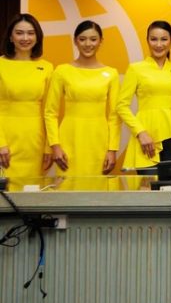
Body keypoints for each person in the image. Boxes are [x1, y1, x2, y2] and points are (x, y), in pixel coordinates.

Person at [44, 20, 120, 187]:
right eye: (82, 39)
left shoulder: (111, 74)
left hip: (99, 141)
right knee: (67, 188)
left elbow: (114, 116)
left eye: (93, 39)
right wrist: (55, 146)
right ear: (75, 41)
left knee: (96, 192)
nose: (88, 44)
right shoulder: (62, 71)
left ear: (101, 41)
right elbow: (50, 112)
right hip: (69, 140)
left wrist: (112, 150)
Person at [117, 21, 171, 175]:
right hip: (146, 137)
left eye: (164, 39)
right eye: (154, 39)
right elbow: (121, 106)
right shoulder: (136, 69)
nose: (159, 44)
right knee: (147, 187)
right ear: (147, 41)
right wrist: (140, 132)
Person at [0, 14, 53, 190]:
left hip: (35, 141)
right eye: (19, 33)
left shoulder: (47, 67)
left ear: (37, 37)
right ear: (10, 36)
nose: (25, 38)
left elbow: (49, 110)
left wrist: (48, 147)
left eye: (30, 33)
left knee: (32, 192)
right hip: (6, 139)